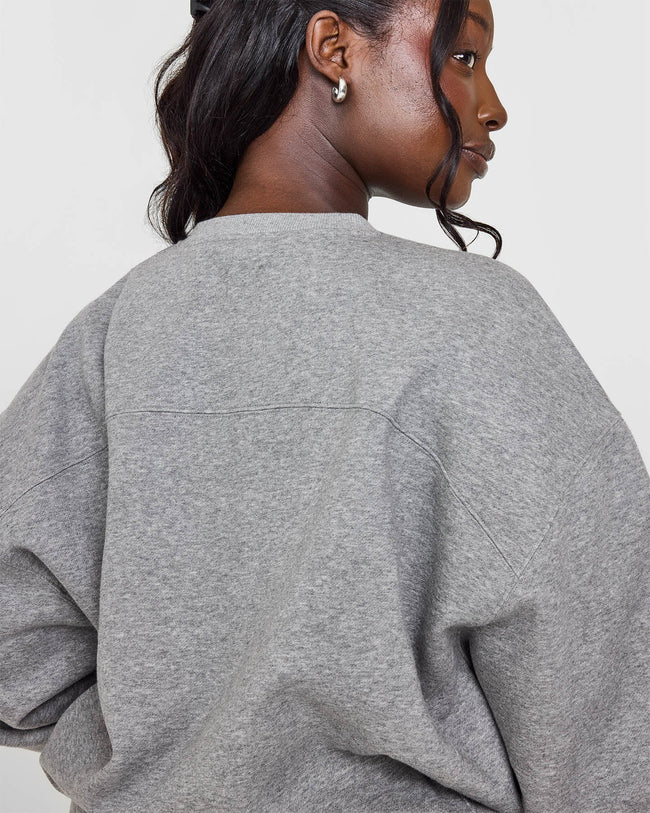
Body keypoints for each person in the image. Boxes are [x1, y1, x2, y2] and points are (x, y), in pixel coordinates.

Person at [0, 0, 648, 811]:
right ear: (333, 48)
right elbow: (609, 698)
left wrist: (153, 762)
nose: (493, 106)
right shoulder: (476, 323)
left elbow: (14, 649)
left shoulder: (115, 332)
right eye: (464, 57)